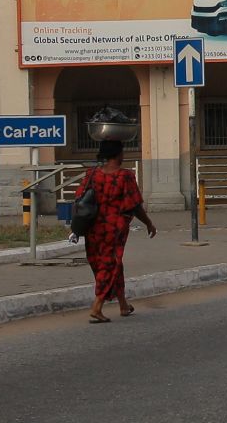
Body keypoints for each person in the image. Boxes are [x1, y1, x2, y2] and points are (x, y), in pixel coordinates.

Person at [78, 139, 156, 324]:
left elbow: (80, 197)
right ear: (118, 154)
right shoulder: (125, 176)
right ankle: (97, 306)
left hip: (93, 227)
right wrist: (148, 223)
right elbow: (135, 205)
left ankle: (123, 305)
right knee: (111, 264)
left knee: (106, 263)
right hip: (114, 227)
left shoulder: (91, 174)